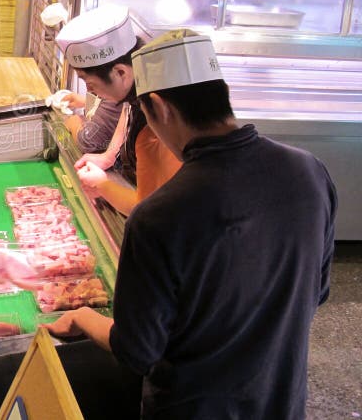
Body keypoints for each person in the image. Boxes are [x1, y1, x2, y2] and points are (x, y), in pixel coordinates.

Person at [46, 29, 337, 419]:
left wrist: (82, 316)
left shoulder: (159, 215)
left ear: (159, 108)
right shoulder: (310, 171)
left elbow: (137, 350)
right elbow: (317, 291)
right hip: (281, 401)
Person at [55, 4, 181, 216]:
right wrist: (109, 156)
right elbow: (126, 108)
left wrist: (103, 186)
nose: (88, 90)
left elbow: (149, 209)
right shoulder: (139, 79)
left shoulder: (158, 121)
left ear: (120, 72)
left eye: (90, 82)